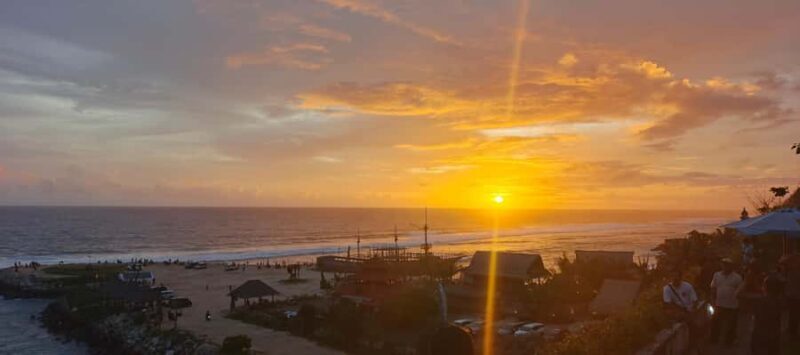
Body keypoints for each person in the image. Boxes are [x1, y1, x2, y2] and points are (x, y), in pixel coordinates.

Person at [709, 258, 743, 346]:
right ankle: (714, 340)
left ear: (731, 266)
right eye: (724, 264)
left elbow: (740, 290)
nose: (725, 266)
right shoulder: (716, 275)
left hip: (732, 305)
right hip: (719, 303)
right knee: (716, 322)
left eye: (727, 265)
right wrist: (712, 299)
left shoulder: (737, 277)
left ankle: (729, 341)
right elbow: (713, 287)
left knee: (731, 324)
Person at [751, 275, 783, 355]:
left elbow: (738, 293)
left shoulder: (760, 301)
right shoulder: (779, 301)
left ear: (766, 287)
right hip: (774, 335)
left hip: (761, 335)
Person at [781, 252, 800, 338]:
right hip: (793, 295)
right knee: (794, 314)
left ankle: (792, 331)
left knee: (793, 314)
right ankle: (793, 332)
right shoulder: (790, 271)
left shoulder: (790, 271)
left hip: (792, 295)